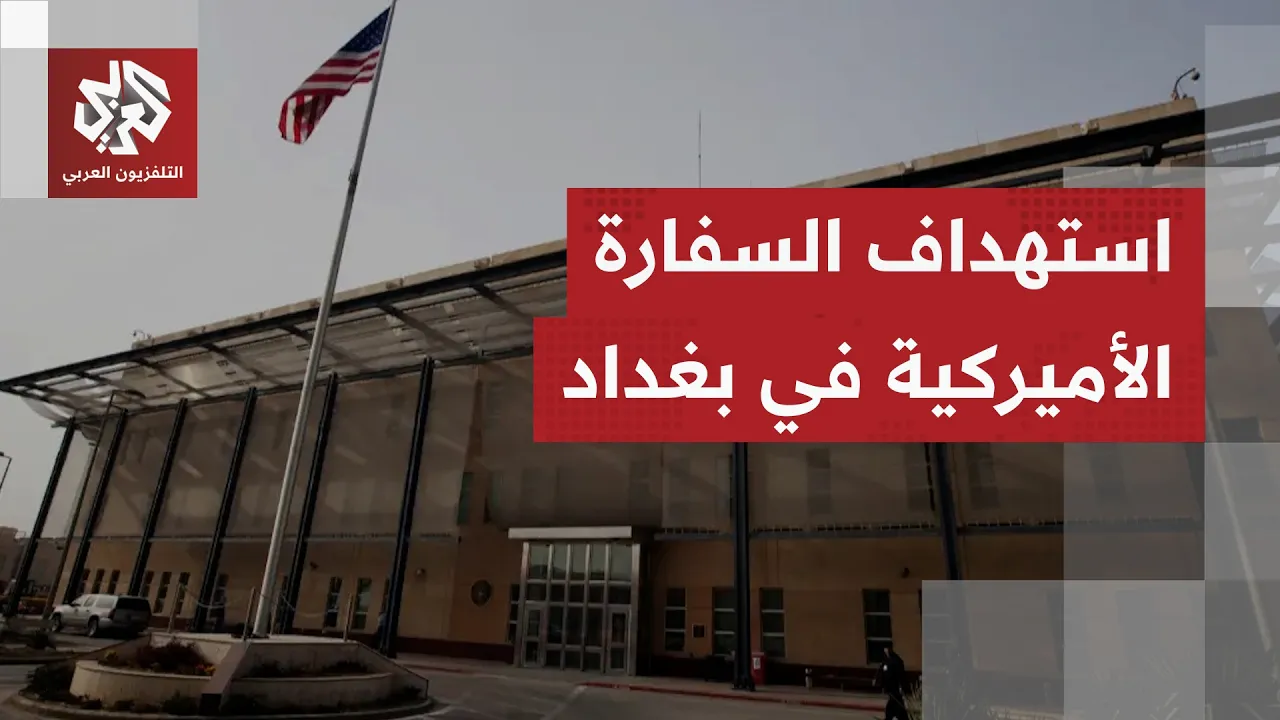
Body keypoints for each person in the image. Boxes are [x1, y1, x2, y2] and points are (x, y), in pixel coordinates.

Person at [876, 644, 908, 720]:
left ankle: (892, 717)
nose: (886, 651)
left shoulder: (896, 660)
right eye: (885, 649)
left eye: (887, 649)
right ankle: (899, 717)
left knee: (895, 703)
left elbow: (900, 674)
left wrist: (901, 686)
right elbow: (881, 672)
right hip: (890, 687)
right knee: (896, 703)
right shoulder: (886, 660)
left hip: (895, 687)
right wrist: (880, 682)